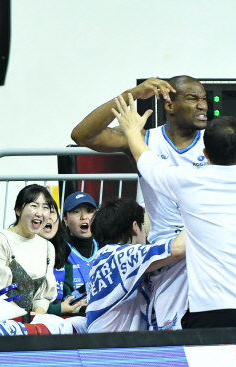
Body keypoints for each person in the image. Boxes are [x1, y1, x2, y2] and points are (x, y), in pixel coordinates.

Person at [110, 95, 236, 328]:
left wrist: (133, 131)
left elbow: (146, 160)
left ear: (204, 153)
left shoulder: (186, 182)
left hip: (209, 311)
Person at [72, 76, 206, 329]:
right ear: (169, 105)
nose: (202, 105)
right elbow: (82, 136)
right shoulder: (143, 140)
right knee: (171, 334)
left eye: (204, 99)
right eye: (193, 98)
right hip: (167, 254)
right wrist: (131, 94)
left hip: (207, 247)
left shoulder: (213, 143)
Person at [87, 199, 185, 333]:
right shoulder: (123, 255)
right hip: (114, 344)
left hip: (100, 340)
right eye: (143, 225)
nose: (146, 233)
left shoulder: (102, 258)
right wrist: (196, 216)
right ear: (135, 227)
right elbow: (178, 249)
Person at [0, 184, 58, 315]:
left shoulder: (48, 248)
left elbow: (43, 296)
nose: (39, 213)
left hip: (30, 321)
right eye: (34, 205)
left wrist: (36, 317)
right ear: (18, 210)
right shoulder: (1, 240)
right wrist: (24, 318)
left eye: (45, 207)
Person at [61, 191, 98, 297]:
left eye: (89, 211)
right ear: (65, 220)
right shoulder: (59, 251)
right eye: (76, 212)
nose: (84, 217)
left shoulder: (105, 248)